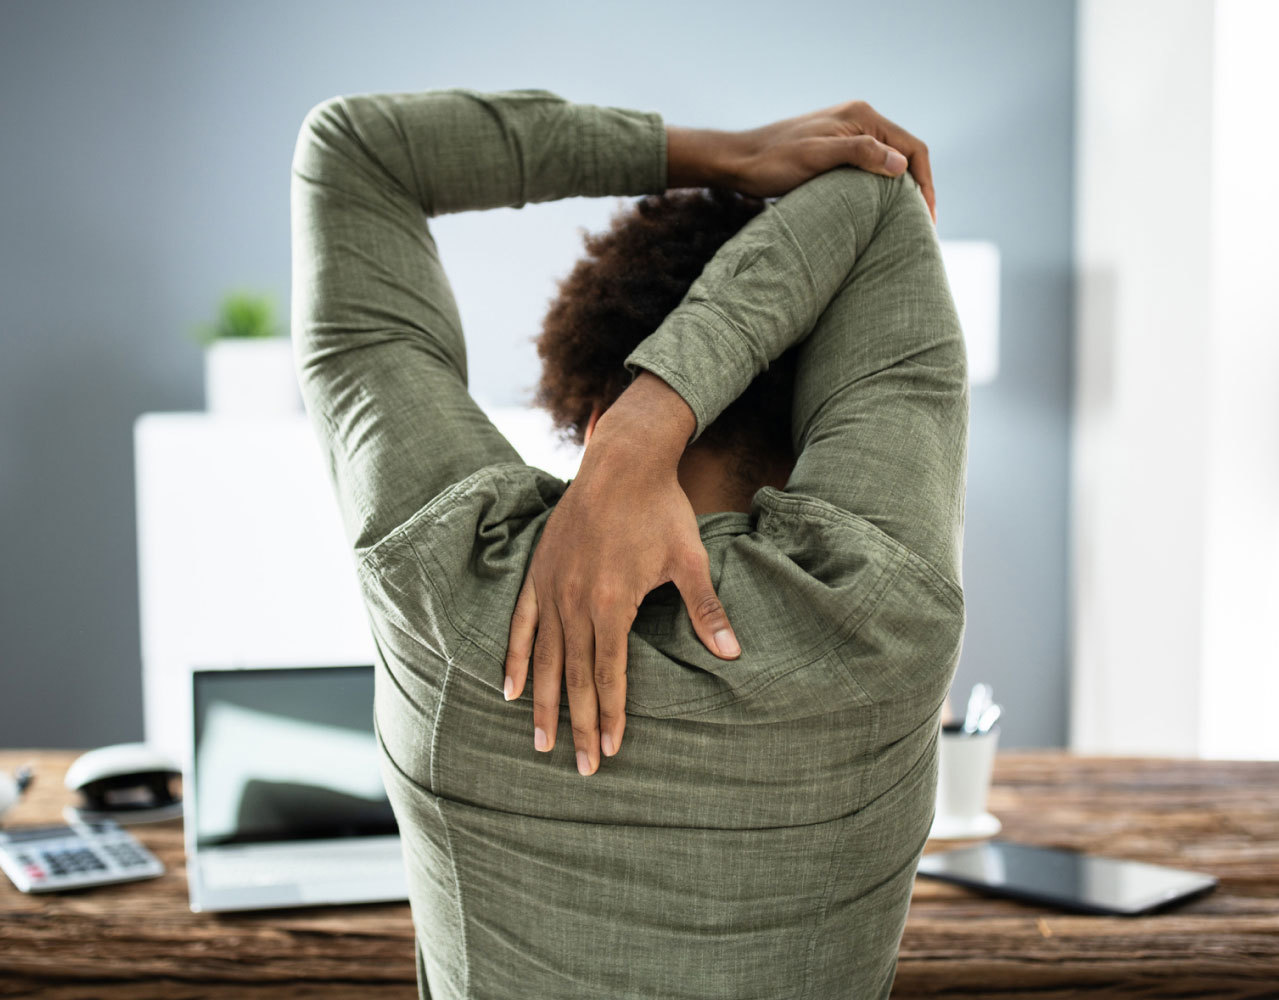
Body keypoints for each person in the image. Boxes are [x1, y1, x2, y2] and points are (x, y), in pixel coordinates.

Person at [290, 86, 967, 1000]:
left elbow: (357, 149)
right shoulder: (876, 607)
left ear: (589, 415)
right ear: (820, 415)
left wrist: (723, 151)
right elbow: (878, 195)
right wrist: (663, 410)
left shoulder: (448, 577)